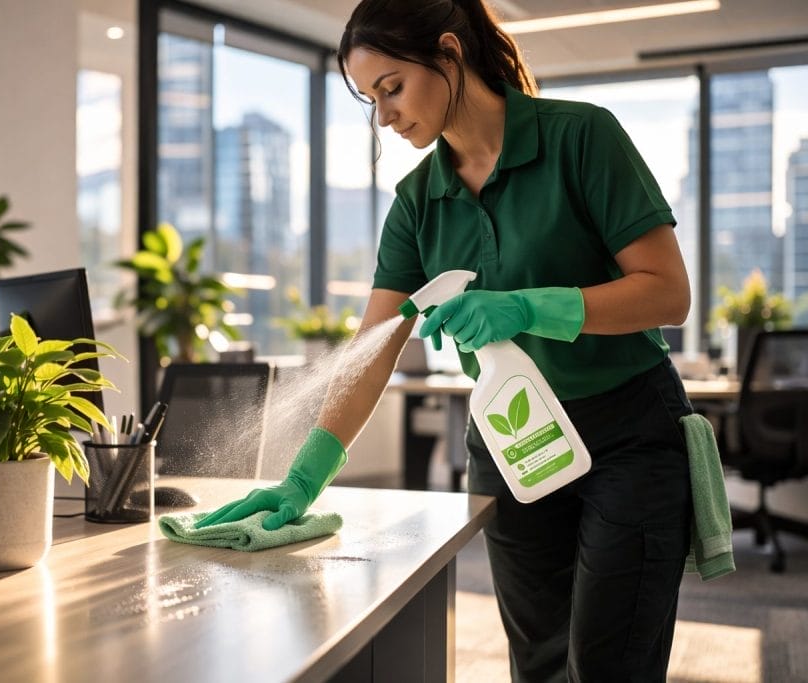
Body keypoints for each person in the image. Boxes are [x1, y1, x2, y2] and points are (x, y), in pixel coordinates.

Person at [197, 0, 694, 679]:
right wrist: (304, 475)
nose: (384, 115)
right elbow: (371, 351)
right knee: (541, 661)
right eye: (372, 99)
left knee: (611, 662)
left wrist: (527, 306)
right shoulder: (415, 202)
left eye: (392, 87)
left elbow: (668, 291)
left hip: (628, 433)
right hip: (512, 443)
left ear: (450, 54)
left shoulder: (582, 137)